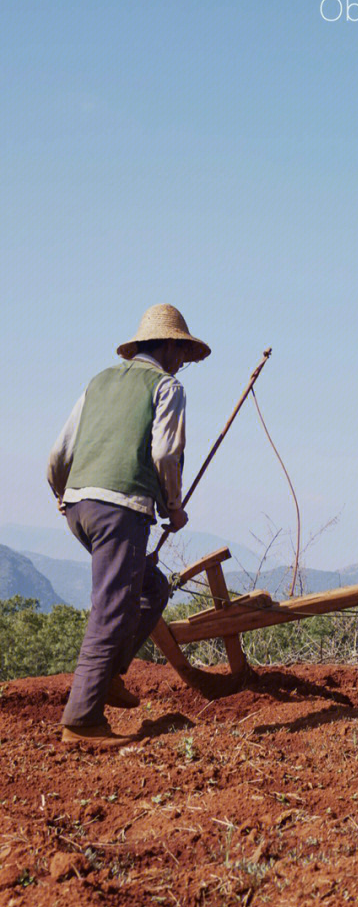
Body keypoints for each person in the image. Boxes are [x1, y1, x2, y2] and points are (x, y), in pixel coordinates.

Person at [47, 305, 211, 746]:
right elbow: (164, 455)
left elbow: (59, 454)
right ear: (173, 346)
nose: (182, 363)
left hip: (79, 509)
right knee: (112, 608)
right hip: (119, 510)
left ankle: (109, 677)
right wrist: (173, 508)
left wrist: (63, 497)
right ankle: (82, 720)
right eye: (182, 353)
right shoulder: (167, 386)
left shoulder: (98, 383)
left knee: (151, 589)